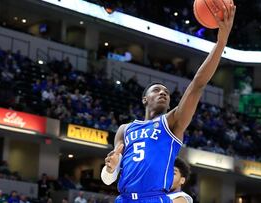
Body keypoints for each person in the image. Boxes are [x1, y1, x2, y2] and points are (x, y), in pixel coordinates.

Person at [101, 1, 236, 202]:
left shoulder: (172, 123)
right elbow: (108, 179)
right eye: (157, 90)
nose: (163, 93)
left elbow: (198, 84)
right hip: (124, 198)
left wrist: (221, 42)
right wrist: (110, 167)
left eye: (166, 92)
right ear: (145, 99)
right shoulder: (125, 130)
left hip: (155, 198)